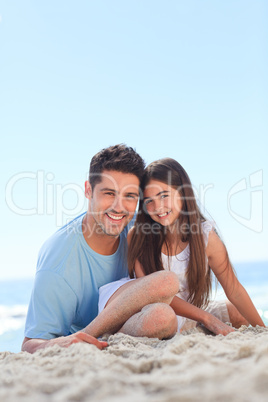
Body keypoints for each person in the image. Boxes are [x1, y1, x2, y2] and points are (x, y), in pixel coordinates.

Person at [22, 145, 181, 353]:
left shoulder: (140, 227)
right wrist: (61, 343)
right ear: (88, 190)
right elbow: (28, 345)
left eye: (130, 196)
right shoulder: (59, 259)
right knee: (161, 315)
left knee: (165, 315)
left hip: (131, 323)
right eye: (109, 193)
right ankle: (92, 337)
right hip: (96, 335)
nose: (119, 207)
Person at [98, 158, 265, 335]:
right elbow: (155, 295)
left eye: (164, 196)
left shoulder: (205, 238)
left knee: (237, 313)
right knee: (161, 316)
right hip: (155, 310)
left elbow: (233, 289)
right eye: (149, 201)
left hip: (189, 314)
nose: (157, 207)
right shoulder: (138, 237)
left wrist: (263, 330)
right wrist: (207, 318)